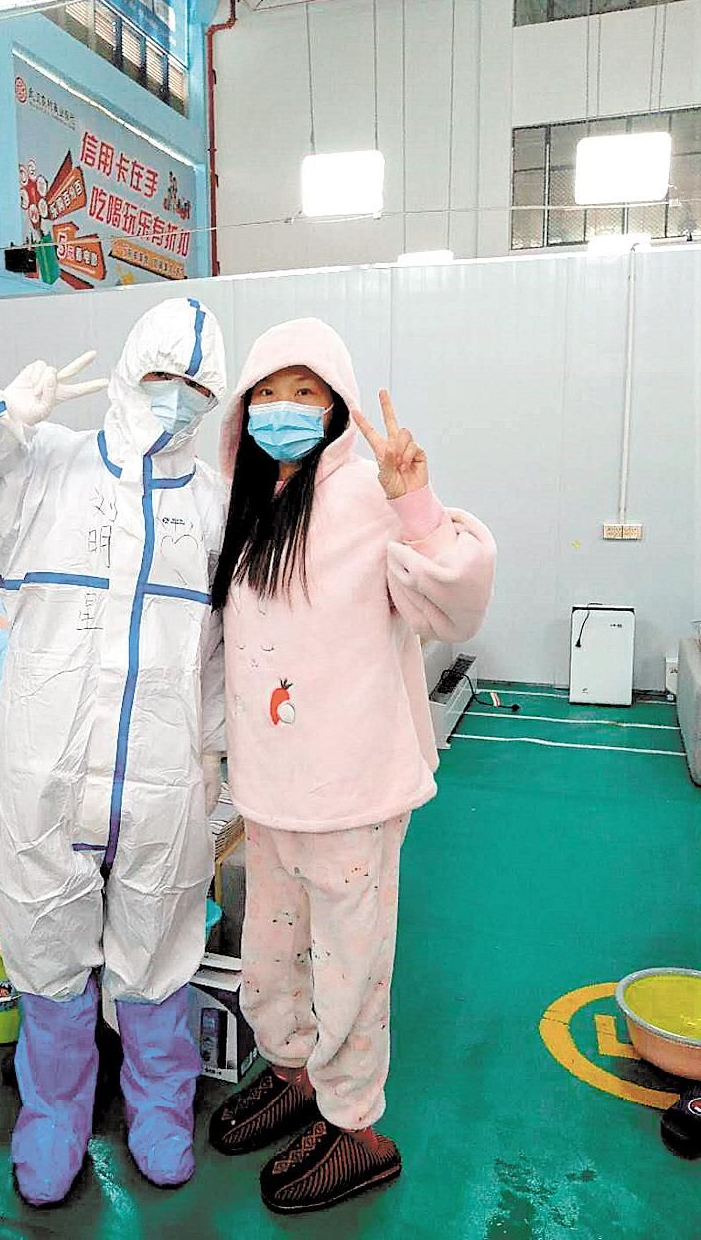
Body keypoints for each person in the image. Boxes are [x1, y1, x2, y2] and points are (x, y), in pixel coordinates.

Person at [0, 298, 228, 1205]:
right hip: (44, 770)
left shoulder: (213, 504)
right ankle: (53, 1116)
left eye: (195, 387)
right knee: (45, 945)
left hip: (161, 776)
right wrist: (0, 419)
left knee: (159, 945)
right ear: (126, 371)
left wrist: (214, 754)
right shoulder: (48, 465)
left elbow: (227, 648)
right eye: (160, 377)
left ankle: (159, 1109)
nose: (175, 399)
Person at [207, 318, 495, 1214]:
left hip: (352, 789)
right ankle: (292, 1070)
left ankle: (355, 1126)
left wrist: (418, 504)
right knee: (271, 955)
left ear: (333, 405)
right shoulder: (249, 504)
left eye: (303, 392)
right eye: (265, 392)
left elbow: (456, 607)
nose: (282, 409)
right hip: (269, 790)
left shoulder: (370, 495)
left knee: (350, 966)